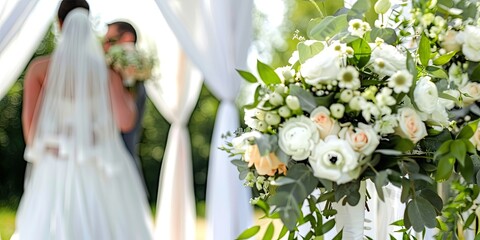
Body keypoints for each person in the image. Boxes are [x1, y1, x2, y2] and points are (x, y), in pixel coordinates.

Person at [13, 0, 154, 239]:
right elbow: (126, 121)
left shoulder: (38, 70)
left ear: (59, 24)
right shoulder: (106, 71)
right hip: (98, 167)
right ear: (88, 23)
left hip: (54, 167)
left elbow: (31, 134)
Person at [103, 21, 147, 174]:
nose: (105, 47)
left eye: (110, 41)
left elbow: (125, 123)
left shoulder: (132, 77)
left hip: (121, 166)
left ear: (127, 39)